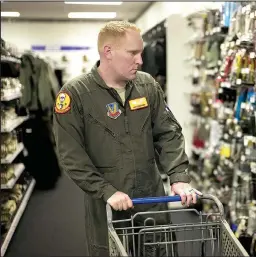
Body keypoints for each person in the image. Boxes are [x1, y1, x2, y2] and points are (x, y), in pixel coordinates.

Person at [52, 21, 200, 256]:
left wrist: (178, 176)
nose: (140, 60)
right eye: (133, 53)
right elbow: (71, 155)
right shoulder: (75, 94)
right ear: (108, 52)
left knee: (158, 250)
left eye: (140, 52)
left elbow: (168, 133)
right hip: (108, 204)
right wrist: (105, 190)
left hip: (151, 197)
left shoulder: (146, 85)